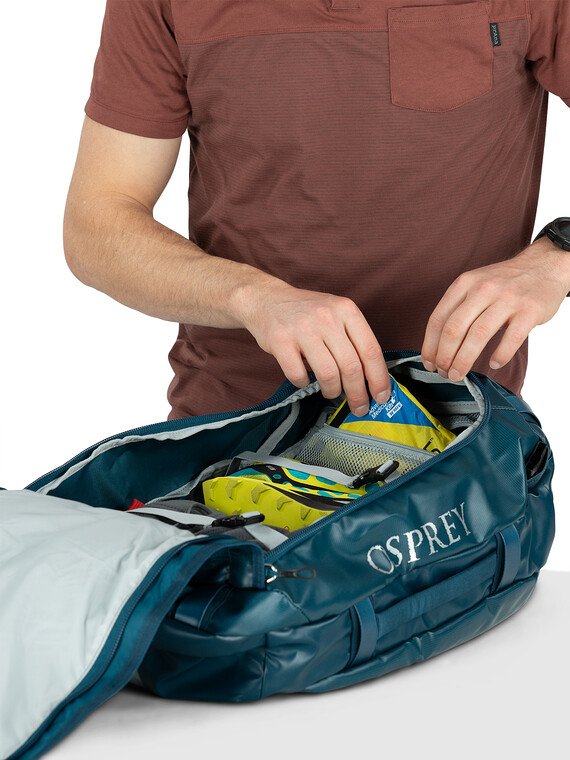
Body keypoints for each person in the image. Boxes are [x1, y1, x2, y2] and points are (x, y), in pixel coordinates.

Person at [63, 0, 570, 421]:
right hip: (233, 433)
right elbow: (97, 224)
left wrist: (555, 258)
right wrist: (253, 297)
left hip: (461, 437)